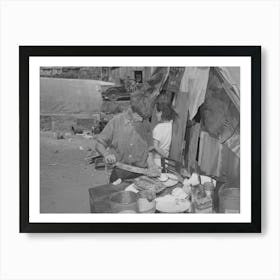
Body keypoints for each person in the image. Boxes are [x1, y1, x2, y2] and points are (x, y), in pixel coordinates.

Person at [95, 89, 160, 183]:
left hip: (141, 175)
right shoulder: (116, 122)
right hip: (119, 173)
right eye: (139, 116)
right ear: (132, 109)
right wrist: (106, 154)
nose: (141, 119)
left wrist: (152, 165)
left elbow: (149, 151)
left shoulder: (146, 125)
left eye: (144, 118)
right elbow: (99, 144)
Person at [153, 102, 177, 167]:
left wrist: (165, 155)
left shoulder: (158, 127)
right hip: (167, 161)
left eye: (157, 112)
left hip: (157, 160)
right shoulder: (172, 126)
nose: (155, 114)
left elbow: (155, 146)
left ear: (161, 113)